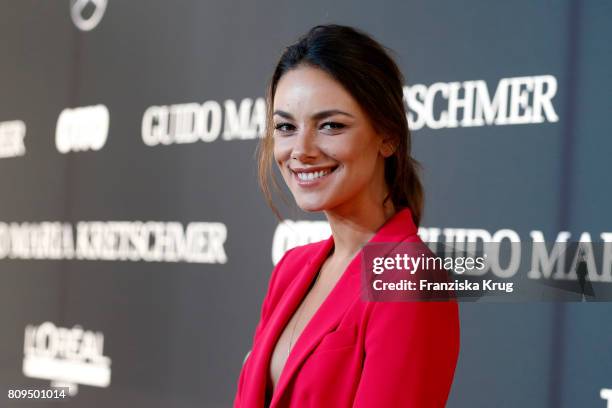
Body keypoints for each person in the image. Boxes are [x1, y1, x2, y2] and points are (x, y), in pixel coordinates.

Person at [234, 24, 460, 408]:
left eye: (331, 126)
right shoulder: (292, 267)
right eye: (286, 127)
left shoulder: (409, 276)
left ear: (387, 136)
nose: (301, 150)